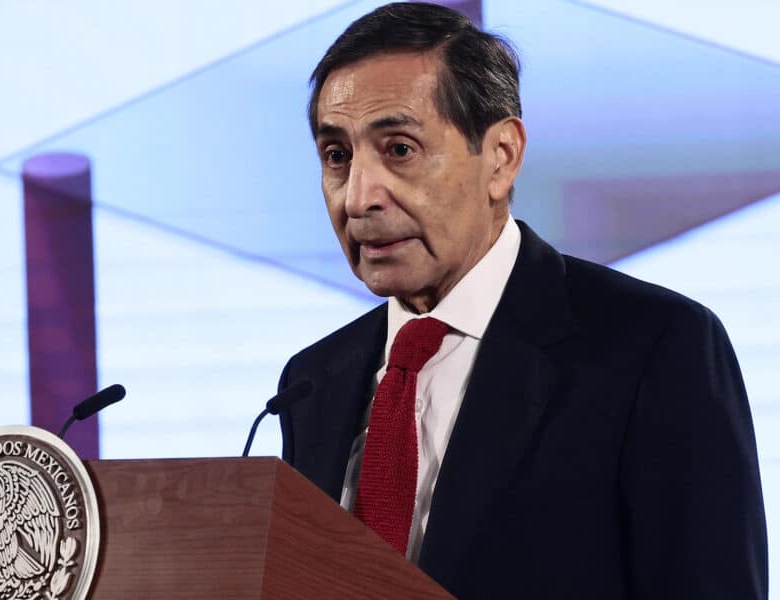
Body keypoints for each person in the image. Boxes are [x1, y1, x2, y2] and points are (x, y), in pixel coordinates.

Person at [275, 3, 767, 598]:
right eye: (337, 157)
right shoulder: (312, 382)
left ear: (501, 157)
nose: (358, 198)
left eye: (399, 150)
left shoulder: (657, 349)